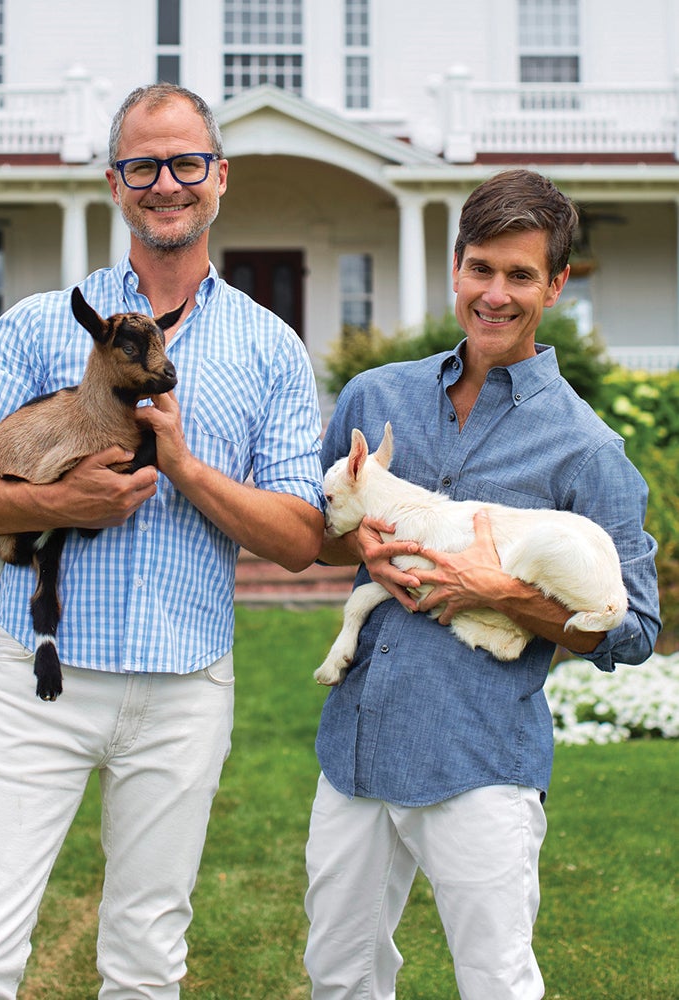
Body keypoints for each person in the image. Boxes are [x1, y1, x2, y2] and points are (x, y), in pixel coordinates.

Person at [0, 83, 325, 999]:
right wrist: (60, 502)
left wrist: (184, 465)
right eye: (144, 165)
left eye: (185, 163)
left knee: (143, 966)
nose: (165, 183)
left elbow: (300, 537)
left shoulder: (269, 348)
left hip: (184, 691)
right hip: (41, 678)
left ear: (220, 177)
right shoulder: (36, 325)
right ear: (114, 183)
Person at [303, 169, 660, 1000]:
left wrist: (497, 590)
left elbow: (632, 630)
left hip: (481, 756)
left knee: (496, 982)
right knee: (339, 978)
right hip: (354, 748)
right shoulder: (376, 397)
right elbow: (316, 535)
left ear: (557, 284)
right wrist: (359, 544)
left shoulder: (586, 450)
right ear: (455, 265)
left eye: (521, 275)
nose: (495, 294)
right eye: (480, 269)